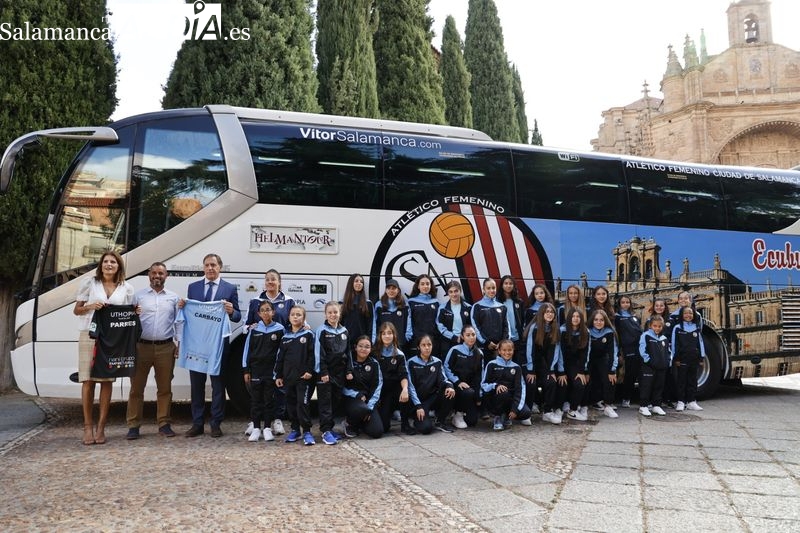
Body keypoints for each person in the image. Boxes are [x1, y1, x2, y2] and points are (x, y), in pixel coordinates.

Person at [73, 250, 135, 445]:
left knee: (107, 381)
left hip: (113, 338)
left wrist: (136, 312)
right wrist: (91, 306)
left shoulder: (127, 288)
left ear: (118, 266)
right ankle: (87, 427)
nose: (109, 264)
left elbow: (127, 314)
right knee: (88, 381)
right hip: (89, 335)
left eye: (113, 262)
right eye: (106, 261)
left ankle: (101, 427)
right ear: (101, 265)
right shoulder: (90, 283)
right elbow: (77, 310)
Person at [184, 253, 241, 438]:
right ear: (203, 267)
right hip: (197, 344)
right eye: (207, 265)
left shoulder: (229, 288)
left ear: (220, 267)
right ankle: (197, 424)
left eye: (213, 265)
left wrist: (231, 311)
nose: (210, 268)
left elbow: (238, 316)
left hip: (218, 345)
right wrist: (182, 306)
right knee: (196, 385)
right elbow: (190, 313)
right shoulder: (193, 287)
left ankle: (216, 424)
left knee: (218, 385)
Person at [126, 262, 179, 440]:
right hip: (141, 347)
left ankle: (164, 424)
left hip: (166, 348)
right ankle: (133, 426)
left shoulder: (173, 298)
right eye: (154, 273)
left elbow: (178, 322)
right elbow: (129, 319)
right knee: (136, 389)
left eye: (161, 273)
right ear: (149, 274)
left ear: (166, 276)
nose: (157, 276)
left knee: (165, 389)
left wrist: (179, 343)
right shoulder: (138, 296)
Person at [243, 300, 285, 442]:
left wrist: (279, 372)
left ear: (273, 312)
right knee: (256, 400)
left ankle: (267, 428)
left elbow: (282, 352)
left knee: (269, 400)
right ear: (259, 314)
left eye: (268, 310)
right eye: (262, 310)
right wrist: (246, 370)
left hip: (271, 371)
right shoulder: (254, 329)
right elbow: (247, 350)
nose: (266, 313)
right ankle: (256, 428)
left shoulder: (280, 329)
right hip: (256, 370)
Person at [275, 306, 316, 445]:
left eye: (298, 314)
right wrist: (278, 375)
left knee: (302, 404)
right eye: (293, 314)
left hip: (304, 378)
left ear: (303, 318)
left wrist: (310, 371)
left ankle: (307, 431)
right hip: (288, 378)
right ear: (289, 317)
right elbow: (280, 358)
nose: (295, 317)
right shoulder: (285, 337)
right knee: (291, 404)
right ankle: (295, 430)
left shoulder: (309, 335)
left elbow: (312, 355)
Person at [314, 301, 350, 445]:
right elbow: (318, 353)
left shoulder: (344, 331)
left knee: (335, 402)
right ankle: (325, 431)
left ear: (340, 314)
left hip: (339, 374)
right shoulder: (321, 330)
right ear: (325, 314)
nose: (333, 315)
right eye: (330, 312)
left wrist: (349, 370)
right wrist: (323, 371)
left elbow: (348, 353)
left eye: (335, 312)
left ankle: (330, 428)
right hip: (326, 373)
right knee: (325, 403)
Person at [405, 335, 456, 434]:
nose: (427, 347)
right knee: (426, 428)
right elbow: (410, 387)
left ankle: (440, 421)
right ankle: (414, 418)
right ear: (418, 347)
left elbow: (443, 379)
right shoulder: (411, 362)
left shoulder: (437, 362)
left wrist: (450, 386)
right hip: (418, 401)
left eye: (429, 345)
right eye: (423, 345)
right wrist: (418, 406)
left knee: (450, 391)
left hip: (432, 398)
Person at [525, 303, 567, 424]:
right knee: (531, 383)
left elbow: (556, 351)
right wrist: (531, 370)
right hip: (531, 363)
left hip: (546, 365)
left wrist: (551, 370)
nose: (549, 314)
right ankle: (526, 413)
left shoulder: (555, 329)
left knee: (551, 381)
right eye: (547, 312)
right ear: (541, 314)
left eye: (552, 312)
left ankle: (547, 412)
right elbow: (530, 350)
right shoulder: (534, 328)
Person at [481, 339, 532, 431]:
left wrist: (515, 409)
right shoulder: (491, 364)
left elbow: (520, 389)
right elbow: (484, 385)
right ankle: (498, 417)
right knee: (503, 392)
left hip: (510, 399)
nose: (507, 353)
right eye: (504, 350)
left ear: (513, 350)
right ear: (499, 351)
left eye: (509, 350)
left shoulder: (516, 367)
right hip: (495, 398)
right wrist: (496, 386)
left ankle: (507, 416)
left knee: (526, 413)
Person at [373, 322, 412, 434]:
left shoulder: (399, 354)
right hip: (381, 392)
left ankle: (405, 424)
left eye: (389, 333)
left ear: (394, 335)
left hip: (395, 390)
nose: (387, 336)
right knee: (384, 428)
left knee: (405, 392)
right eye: (384, 333)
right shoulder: (374, 353)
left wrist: (405, 389)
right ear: (380, 336)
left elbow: (403, 375)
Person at [342, 337, 384, 439]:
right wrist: (356, 394)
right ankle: (349, 424)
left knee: (377, 432)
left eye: (367, 347)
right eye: (360, 346)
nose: (363, 349)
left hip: (368, 401)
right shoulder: (347, 362)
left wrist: (370, 407)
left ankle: (361, 423)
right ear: (355, 347)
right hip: (352, 399)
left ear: (370, 349)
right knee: (361, 409)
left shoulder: (374, 363)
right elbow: (340, 386)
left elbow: (378, 386)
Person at [443, 325, 484, 428]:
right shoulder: (455, 350)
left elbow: (480, 375)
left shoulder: (479, 353)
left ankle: (465, 412)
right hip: (456, 386)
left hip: (470, 391)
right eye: (468, 335)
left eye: (473, 335)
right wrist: (457, 382)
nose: (471, 337)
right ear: (462, 336)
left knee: (472, 422)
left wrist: (478, 395)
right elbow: (446, 368)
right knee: (467, 392)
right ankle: (458, 414)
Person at [671, 306, 706, 412]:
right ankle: (681, 401)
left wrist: (701, 357)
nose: (688, 315)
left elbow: (700, 343)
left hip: (694, 358)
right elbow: (674, 344)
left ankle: (691, 401)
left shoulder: (696, 327)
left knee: (693, 380)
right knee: (681, 381)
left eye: (690, 313)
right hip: (682, 359)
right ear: (681, 315)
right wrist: (676, 358)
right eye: (685, 313)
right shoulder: (677, 328)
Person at [587, 309, 619, 418]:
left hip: (603, 359)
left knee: (610, 378)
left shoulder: (609, 332)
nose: (598, 322)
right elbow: (585, 352)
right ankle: (593, 402)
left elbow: (613, 352)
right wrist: (585, 369)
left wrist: (612, 370)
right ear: (592, 321)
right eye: (596, 320)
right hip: (589, 360)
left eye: (601, 320)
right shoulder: (587, 331)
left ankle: (608, 405)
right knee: (589, 380)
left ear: (605, 321)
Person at [470, 278, 510, 365]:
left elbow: (506, 327)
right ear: (483, 290)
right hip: (484, 347)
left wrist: (502, 343)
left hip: (500, 348)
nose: (491, 291)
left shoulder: (502, 307)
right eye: (488, 288)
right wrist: (486, 342)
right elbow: (475, 327)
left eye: (493, 288)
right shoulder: (477, 306)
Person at [561, 308, 590, 421]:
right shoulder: (562, 330)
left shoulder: (585, 332)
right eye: (573, 316)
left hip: (576, 364)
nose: (575, 318)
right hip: (562, 363)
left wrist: (582, 371)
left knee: (581, 383)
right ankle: (562, 406)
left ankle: (573, 410)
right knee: (563, 383)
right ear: (569, 318)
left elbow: (585, 353)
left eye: (578, 316)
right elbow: (559, 352)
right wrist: (561, 371)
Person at [638, 315, 669, 417]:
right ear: (650, 326)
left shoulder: (664, 338)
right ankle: (643, 406)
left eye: (659, 326)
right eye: (655, 326)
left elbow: (668, 352)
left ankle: (656, 405)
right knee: (646, 386)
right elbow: (642, 351)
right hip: (649, 367)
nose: (657, 328)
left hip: (661, 368)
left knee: (659, 386)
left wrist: (667, 362)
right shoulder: (646, 335)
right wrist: (649, 361)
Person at [615, 295, 642, 408]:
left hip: (638, 348)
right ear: (619, 304)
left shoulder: (635, 316)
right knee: (628, 374)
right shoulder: (617, 317)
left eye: (627, 302)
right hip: (626, 349)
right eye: (623, 302)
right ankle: (625, 398)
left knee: (636, 373)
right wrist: (619, 352)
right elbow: (617, 335)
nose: (625, 304)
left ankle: (640, 398)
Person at [405, 274, 440, 357]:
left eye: (428, 284)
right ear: (418, 286)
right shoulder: (411, 302)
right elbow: (408, 321)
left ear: (431, 286)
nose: (425, 286)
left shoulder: (436, 302)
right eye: (422, 284)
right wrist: (409, 335)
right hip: (416, 340)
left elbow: (438, 322)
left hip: (432, 341)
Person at [340, 274, 374, 351]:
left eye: (361, 282)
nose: (359, 283)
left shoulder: (368, 304)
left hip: (362, 344)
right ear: (351, 283)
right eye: (356, 281)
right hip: (346, 343)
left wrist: (369, 342)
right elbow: (339, 325)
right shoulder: (342, 303)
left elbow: (371, 326)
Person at [436, 280, 472, 350]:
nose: (454, 294)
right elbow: (440, 326)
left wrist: (466, 336)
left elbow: (472, 326)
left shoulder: (469, 307)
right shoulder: (442, 308)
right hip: (448, 342)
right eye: (451, 292)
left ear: (460, 291)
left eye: (456, 291)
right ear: (447, 293)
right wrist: (454, 337)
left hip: (465, 342)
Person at [374, 278, 408, 350]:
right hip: (383, 342)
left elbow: (409, 322)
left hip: (400, 342)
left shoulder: (405, 305)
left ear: (398, 290)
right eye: (388, 288)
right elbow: (375, 324)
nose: (391, 291)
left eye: (393, 288)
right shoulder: (379, 305)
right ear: (386, 290)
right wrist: (376, 337)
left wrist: (407, 336)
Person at [498, 275, 525, 357]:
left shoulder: (519, 302)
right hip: (503, 339)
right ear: (502, 285)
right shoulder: (497, 302)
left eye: (510, 283)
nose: (508, 285)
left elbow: (523, 320)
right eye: (506, 283)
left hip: (517, 339)